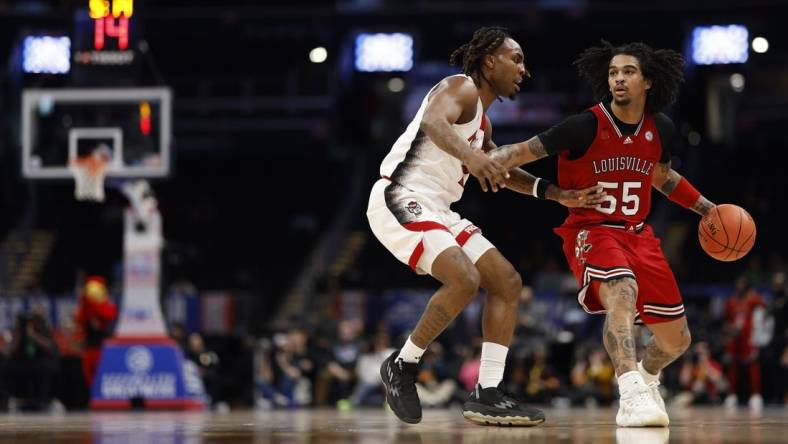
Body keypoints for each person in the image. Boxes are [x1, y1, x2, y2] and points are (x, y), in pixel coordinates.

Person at [366, 26, 605, 426]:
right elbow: (433, 123)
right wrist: (472, 159)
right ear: (490, 60)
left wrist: (555, 193)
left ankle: (487, 392)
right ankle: (402, 365)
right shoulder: (460, 87)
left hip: (439, 207)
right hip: (401, 193)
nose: (523, 70)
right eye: (517, 59)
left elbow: (503, 171)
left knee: (507, 283)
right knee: (464, 277)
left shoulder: (484, 127)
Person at [489, 40, 719, 426]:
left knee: (677, 340)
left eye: (628, 71)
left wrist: (707, 208)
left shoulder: (659, 127)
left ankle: (646, 380)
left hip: (640, 235)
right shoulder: (584, 126)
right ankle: (629, 392)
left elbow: (661, 177)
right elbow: (517, 154)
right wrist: (483, 157)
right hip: (591, 230)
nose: (618, 79)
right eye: (613, 72)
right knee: (622, 292)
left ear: (647, 81)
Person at [74, 275, 118, 388]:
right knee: (88, 373)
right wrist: (85, 302)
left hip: (103, 347)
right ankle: (92, 393)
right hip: (89, 347)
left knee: (102, 371)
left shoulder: (106, 307)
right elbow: (79, 319)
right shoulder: (86, 309)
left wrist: (95, 305)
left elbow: (110, 314)